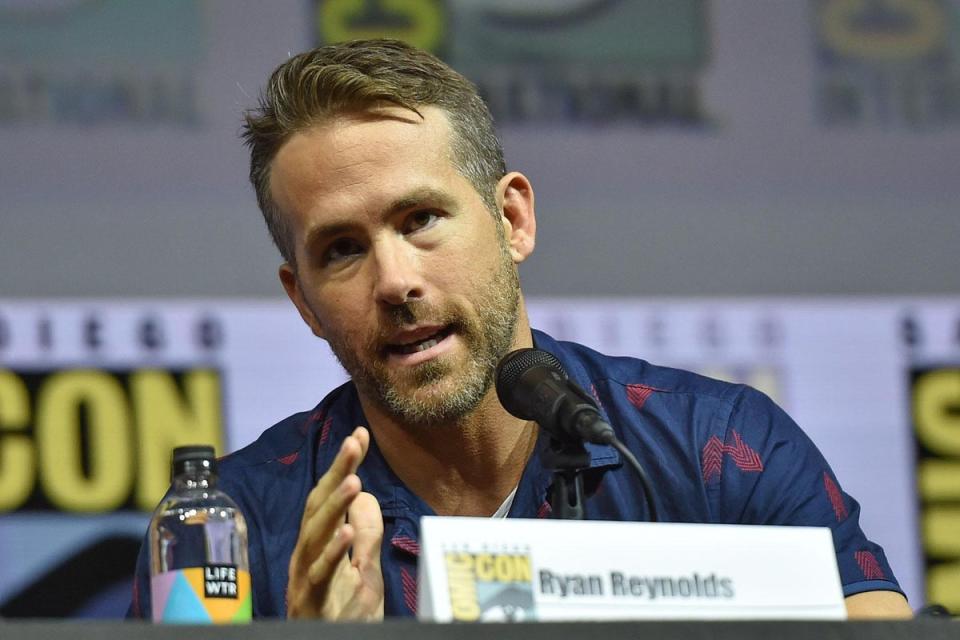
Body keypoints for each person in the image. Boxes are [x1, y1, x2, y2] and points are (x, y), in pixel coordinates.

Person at [129, 38, 911, 620]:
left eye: (422, 218)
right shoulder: (229, 528)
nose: (395, 280)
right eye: (342, 250)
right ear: (303, 301)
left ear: (512, 219)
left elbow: (874, 621)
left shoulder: (717, 449)